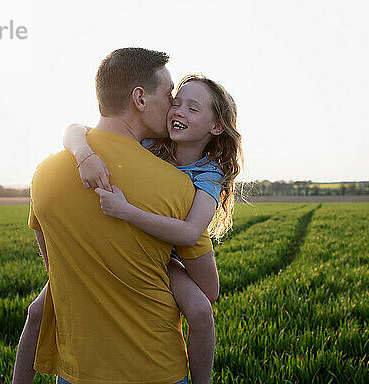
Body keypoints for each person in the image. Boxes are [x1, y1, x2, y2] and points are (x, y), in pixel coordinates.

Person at [13, 47, 218, 384]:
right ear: (140, 98)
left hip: (77, 374)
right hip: (157, 373)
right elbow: (207, 290)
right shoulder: (179, 187)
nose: (172, 107)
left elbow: (57, 268)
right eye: (169, 95)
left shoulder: (44, 175)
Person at [63, 73, 242, 383]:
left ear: (216, 127)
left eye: (192, 108)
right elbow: (74, 130)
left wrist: (127, 212)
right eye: (176, 103)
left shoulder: (209, 174)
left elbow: (189, 233)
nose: (178, 112)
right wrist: (84, 154)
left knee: (201, 308)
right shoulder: (150, 144)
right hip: (130, 246)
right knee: (38, 310)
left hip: (168, 253)